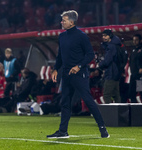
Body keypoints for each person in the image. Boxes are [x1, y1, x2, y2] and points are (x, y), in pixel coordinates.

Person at [47, 10, 109, 139]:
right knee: (65, 102)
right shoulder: (62, 36)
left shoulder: (81, 36)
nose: (61, 22)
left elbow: (90, 55)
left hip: (79, 74)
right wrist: (55, 69)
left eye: (64, 20)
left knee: (88, 100)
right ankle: (63, 131)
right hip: (66, 74)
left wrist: (79, 66)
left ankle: (103, 128)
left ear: (71, 21)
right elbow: (60, 56)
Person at [97, 29, 122, 103]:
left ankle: (109, 114)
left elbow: (107, 61)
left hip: (111, 73)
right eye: (103, 36)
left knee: (106, 95)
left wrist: (100, 64)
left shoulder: (111, 46)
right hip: (116, 73)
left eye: (105, 35)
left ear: (110, 36)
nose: (103, 37)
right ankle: (119, 113)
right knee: (116, 95)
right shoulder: (116, 45)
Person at [128, 34, 142, 103]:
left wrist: (141, 68)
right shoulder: (133, 49)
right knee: (132, 93)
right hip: (133, 74)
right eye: (134, 40)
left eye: (136, 40)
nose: (135, 41)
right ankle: (133, 108)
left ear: (140, 40)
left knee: (141, 92)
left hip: (139, 75)